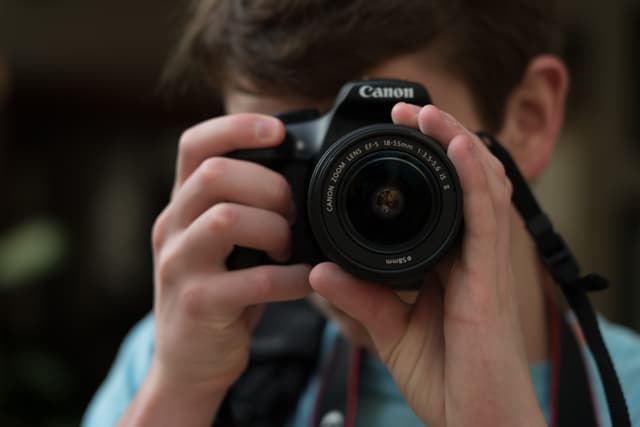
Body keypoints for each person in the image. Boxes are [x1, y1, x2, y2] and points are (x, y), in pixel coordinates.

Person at [82, 1, 640, 426]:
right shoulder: (176, 357)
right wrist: (179, 393)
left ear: (529, 118)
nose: (342, 201)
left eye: (381, 147)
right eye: (298, 154)